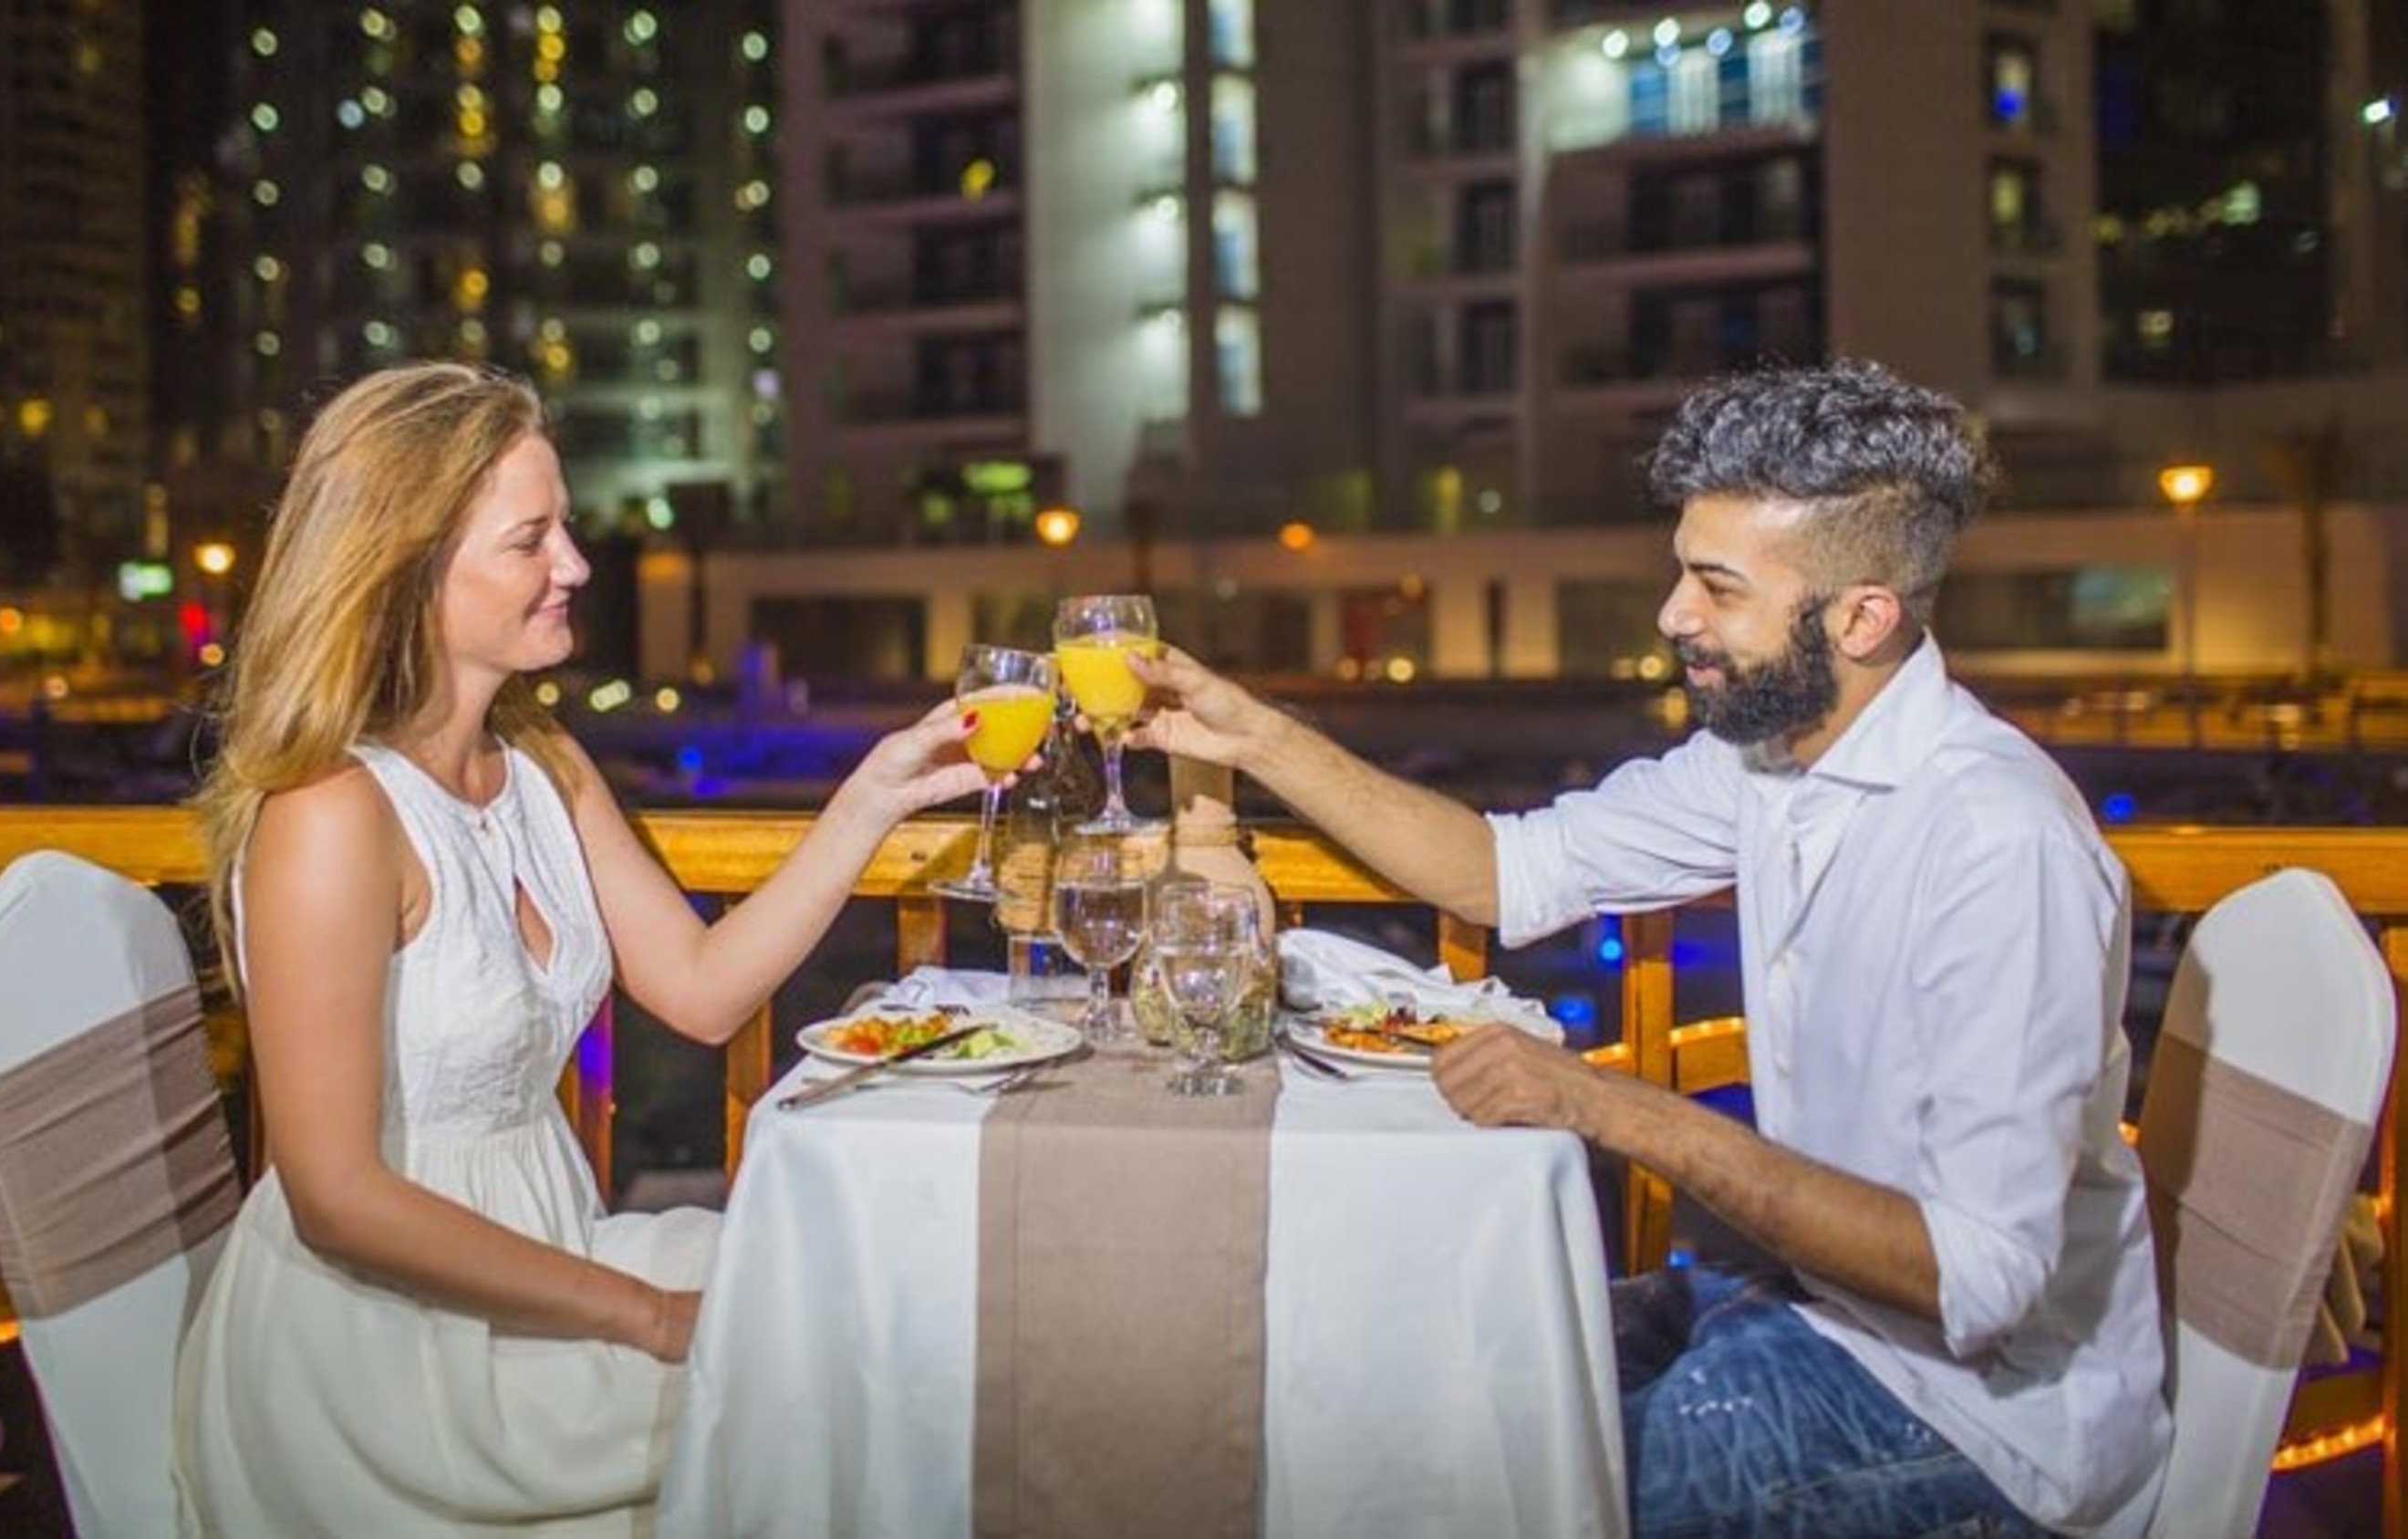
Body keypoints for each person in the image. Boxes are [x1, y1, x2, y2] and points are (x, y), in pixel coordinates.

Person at [1134, 359, 2168, 1537]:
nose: (1674, 614)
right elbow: (1503, 870)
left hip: (1989, 1428)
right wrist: (1256, 736)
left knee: (1476, 1498)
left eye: (1717, 586)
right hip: (1818, 1312)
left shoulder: (1997, 843)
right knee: (1423, 1385)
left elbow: (1978, 1280)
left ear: (1862, 617)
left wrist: (1609, 1104)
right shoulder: (1773, 759)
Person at [172, 361, 993, 1534]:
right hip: (385, 1354)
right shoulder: (330, 816)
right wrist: (647, 1316)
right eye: (530, 539)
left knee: (865, 1300)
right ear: (406, 569)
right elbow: (337, 1200)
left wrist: (872, 797)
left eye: (564, 526)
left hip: (551, 1260)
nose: (576, 563)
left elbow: (703, 992)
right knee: (812, 1395)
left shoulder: (542, 766)